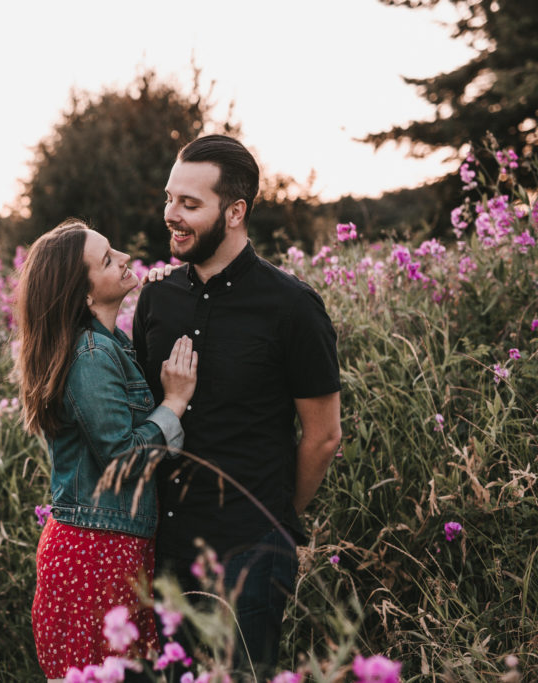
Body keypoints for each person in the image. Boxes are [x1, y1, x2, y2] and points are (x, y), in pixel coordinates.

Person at [132, 135, 342, 678]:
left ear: (235, 211)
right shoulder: (156, 298)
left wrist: (276, 521)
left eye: (190, 203)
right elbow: (142, 415)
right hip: (165, 547)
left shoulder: (292, 306)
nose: (171, 215)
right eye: (170, 198)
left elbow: (323, 436)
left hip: (250, 554)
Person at [14, 218, 198, 682]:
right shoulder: (92, 355)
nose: (125, 258)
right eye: (108, 259)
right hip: (94, 554)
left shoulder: (108, 344)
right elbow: (122, 461)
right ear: (83, 294)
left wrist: (164, 281)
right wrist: (175, 402)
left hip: (108, 546)